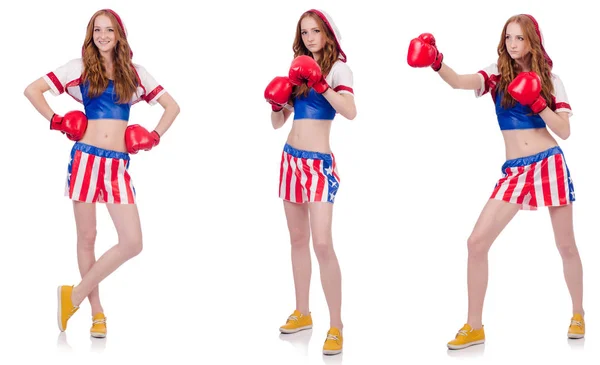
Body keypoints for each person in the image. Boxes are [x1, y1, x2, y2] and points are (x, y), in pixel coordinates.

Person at [407, 14, 585, 350]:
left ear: (532, 40)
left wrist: (537, 102)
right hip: (515, 170)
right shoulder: (496, 73)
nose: (513, 45)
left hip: (549, 163)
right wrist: (436, 61)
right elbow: (460, 81)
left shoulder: (551, 79)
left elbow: (564, 131)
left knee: (566, 245)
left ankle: (578, 313)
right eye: (508, 38)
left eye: (519, 38)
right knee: (476, 243)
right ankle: (474, 326)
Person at [23, 9, 180, 338]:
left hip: (117, 166)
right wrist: (56, 121)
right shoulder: (78, 67)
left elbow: (172, 107)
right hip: (85, 158)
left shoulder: (135, 73)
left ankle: (74, 295)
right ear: (90, 34)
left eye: (109, 30)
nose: (103, 35)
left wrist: (154, 136)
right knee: (87, 238)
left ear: (119, 34)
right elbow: (32, 90)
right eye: (98, 30)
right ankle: (97, 314)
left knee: (132, 242)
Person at [263, 9, 356, 356]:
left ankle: (336, 325)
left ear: (328, 33)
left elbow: (350, 111)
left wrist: (320, 83)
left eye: (316, 31)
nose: (310, 38)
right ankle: (302, 312)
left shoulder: (338, 69)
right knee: (297, 240)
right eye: (304, 32)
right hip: (290, 159)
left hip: (318, 166)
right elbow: (277, 123)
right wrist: (276, 104)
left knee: (322, 244)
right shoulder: (296, 68)